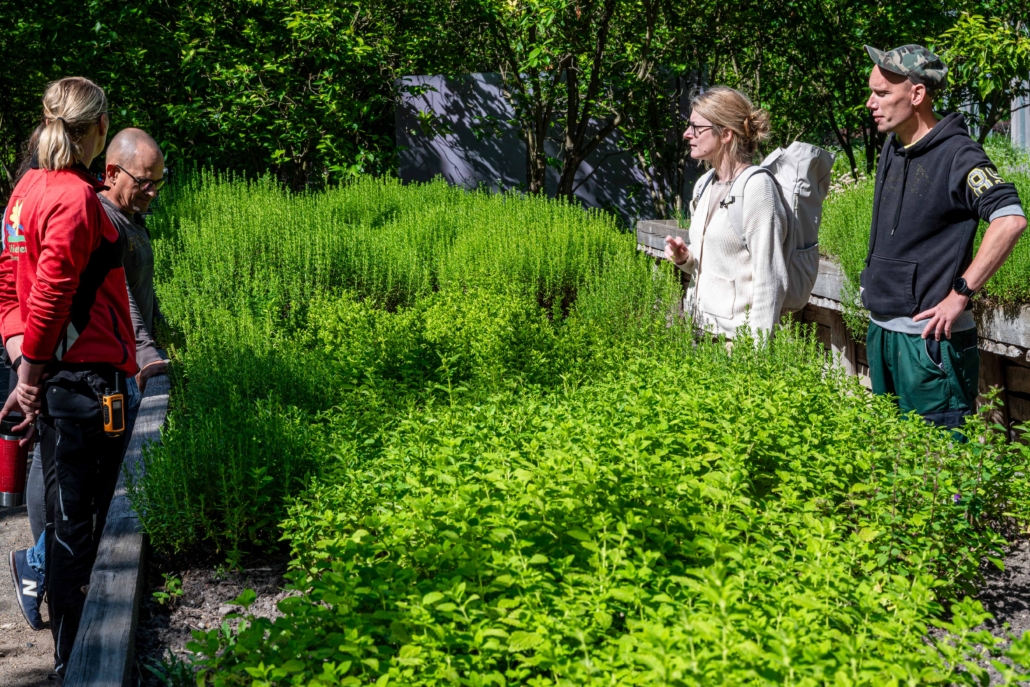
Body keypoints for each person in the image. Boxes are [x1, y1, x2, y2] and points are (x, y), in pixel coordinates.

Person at [0, 76, 138, 677]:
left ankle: (67, 657)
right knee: (82, 531)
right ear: (101, 127)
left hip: (58, 378)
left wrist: (20, 361)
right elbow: (52, 295)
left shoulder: (25, 190)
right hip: (85, 386)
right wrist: (30, 378)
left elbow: (9, 285)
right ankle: (79, 662)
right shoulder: (75, 198)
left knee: (64, 524)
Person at [8, 127, 168, 634]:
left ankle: (49, 574)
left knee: (86, 494)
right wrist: (28, 365)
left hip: (101, 366)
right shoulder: (89, 209)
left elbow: (137, 294)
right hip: (83, 374)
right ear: (111, 171)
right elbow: (81, 294)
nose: (152, 191)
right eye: (144, 181)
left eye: (159, 181)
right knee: (77, 498)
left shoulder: (126, 214)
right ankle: (40, 571)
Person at [861, 45, 1026, 429]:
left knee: (939, 459)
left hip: (929, 346)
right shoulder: (893, 146)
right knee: (890, 455)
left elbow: (1010, 219)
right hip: (882, 332)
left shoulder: (959, 155)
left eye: (882, 93)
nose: (871, 103)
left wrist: (960, 294)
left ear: (917, 94)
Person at [663, 86, 789, 338]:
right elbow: (719, 265)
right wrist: (685, 259)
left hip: (735, 343)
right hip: (698, 332)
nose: (687, 134)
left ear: (726, 134)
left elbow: (770, 279)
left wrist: (755, 353)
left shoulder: (757, 187)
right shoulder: (705, 184)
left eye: (696, 127)